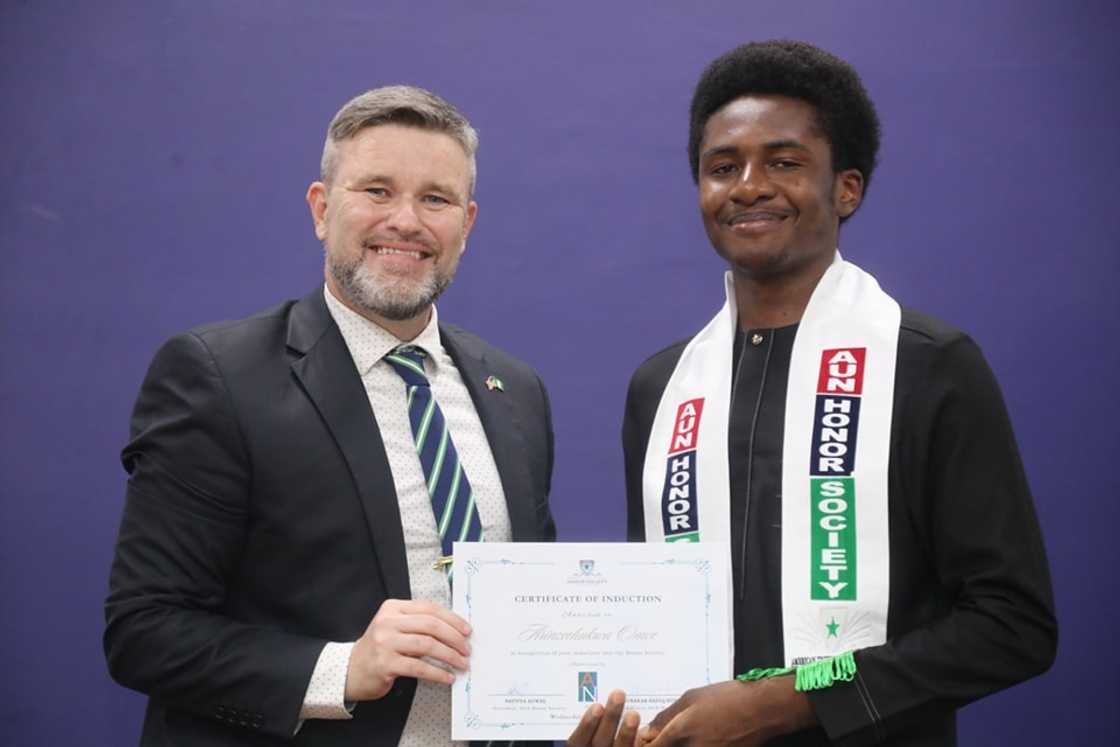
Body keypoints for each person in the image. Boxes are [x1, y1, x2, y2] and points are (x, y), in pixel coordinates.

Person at [571, 40, 1056, 746]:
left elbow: (1014, 625)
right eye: (721, 167)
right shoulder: (663, 387)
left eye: (784, 162)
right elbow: (656, 621)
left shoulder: (927, 365)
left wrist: (790, 699)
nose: (747, 186)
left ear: (847, 188)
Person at [105, 85, 556, 746]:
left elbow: (533, 608)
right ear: (321, 209)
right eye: (376, 190)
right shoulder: (218, 376)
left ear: (467, 223)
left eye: (436, 198)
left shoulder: (514, 389)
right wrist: (341, 667)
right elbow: (143, 630)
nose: (406, 220)